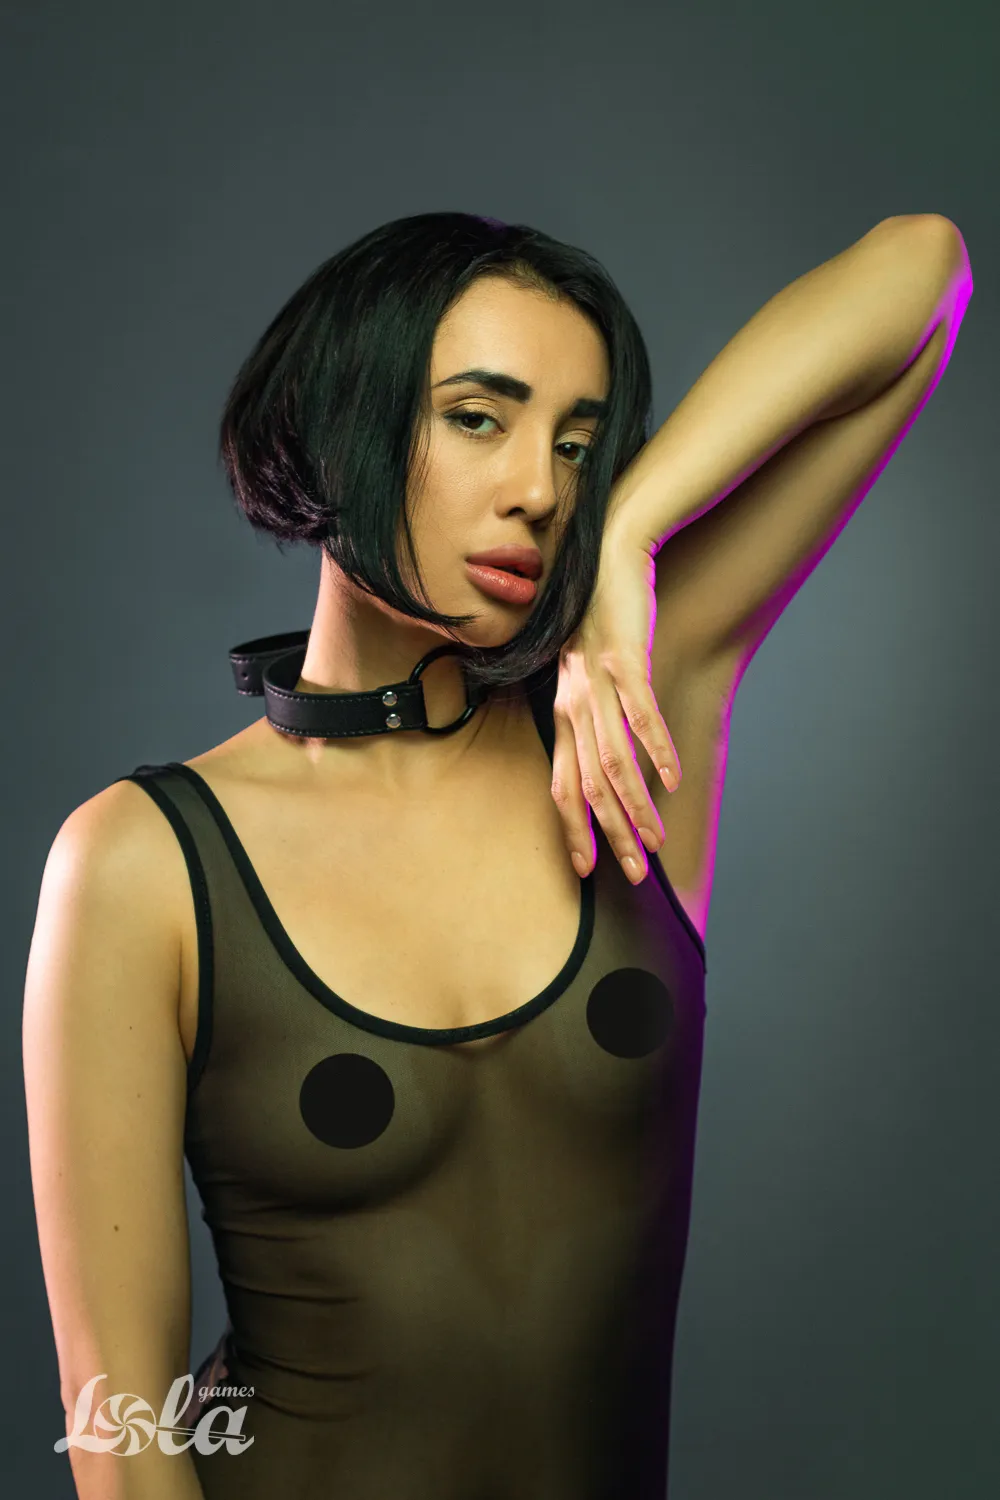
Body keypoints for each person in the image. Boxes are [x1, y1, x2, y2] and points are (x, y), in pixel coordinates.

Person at [23, 209, 970, 1499]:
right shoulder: (140, 861)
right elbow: (119, 1431)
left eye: (577, 445)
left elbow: (923, 272)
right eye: (478, 418)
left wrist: (631, 533)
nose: (542, 490)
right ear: (342, 422)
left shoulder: (628, 725)